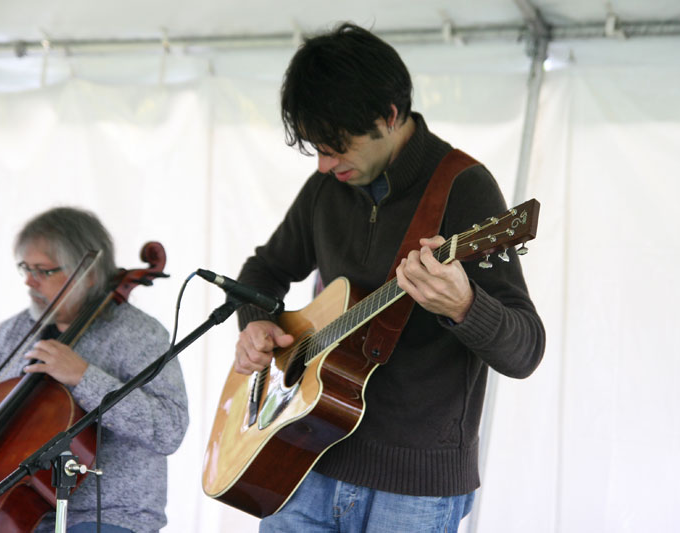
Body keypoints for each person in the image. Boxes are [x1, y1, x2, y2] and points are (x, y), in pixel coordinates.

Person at [231, 23, 546, 532]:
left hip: (415, 488)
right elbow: (262, 272)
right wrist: (256, 323)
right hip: (302, 456)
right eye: (315, 147)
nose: (324, 165)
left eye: (336, 147)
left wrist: (465, 307)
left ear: (389, 116)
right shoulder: (326, 189)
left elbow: (526, 349)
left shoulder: (464, 188)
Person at [0, 207, 189, 533]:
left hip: (108, 513)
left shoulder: (139, 335)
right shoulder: (16, 330)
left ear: (87, 272)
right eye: (25, 268)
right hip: (7, 508)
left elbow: (168, 429)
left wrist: (84, 376)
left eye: (43, 271)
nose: (29, 282)